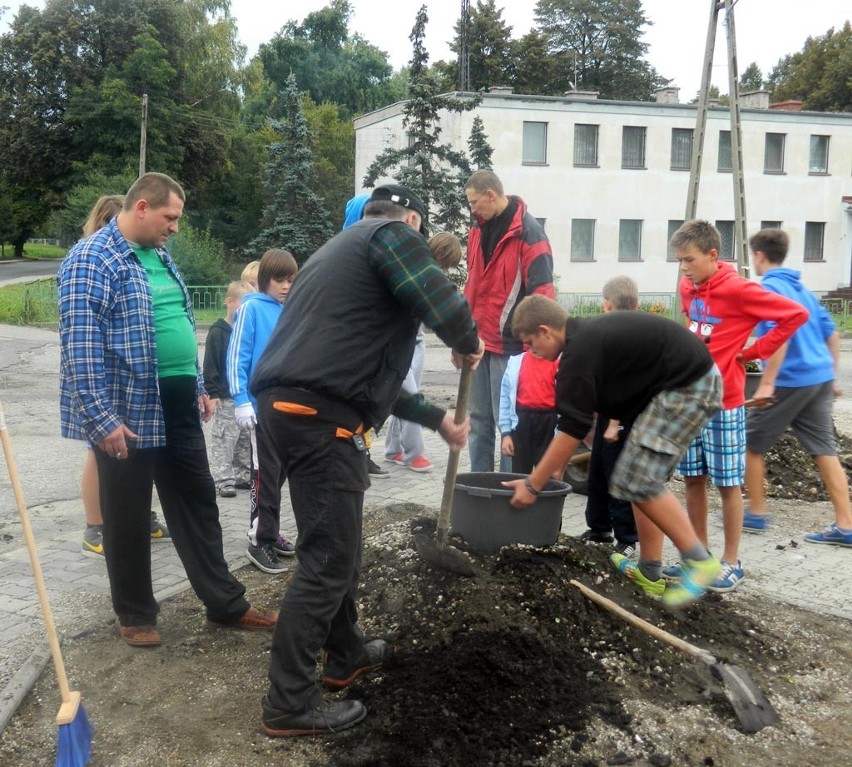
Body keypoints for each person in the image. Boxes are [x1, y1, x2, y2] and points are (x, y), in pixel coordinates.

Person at [251, 183, 483, 736]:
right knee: (328, 561)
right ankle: (288, 703)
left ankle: (346, 652)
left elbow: (364, 379)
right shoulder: (392, 234)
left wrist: (439, 421)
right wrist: (467, 339)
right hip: (319, 420)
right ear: (415, 218)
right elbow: (448, 308)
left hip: (295, 409)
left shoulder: (337, 254)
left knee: (339, 548)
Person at [58, 172, 277, 647]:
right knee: (128, 513)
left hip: (177, 402)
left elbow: (176, 320)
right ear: (141, 208)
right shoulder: (91, 259)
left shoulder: (160, 256)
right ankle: (135, 614)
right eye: (170, 217)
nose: (175, 227)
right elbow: (80, 346)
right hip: (126, 407)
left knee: (198, 503)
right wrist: (101, 418)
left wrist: (198, 382)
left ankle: (225, 605)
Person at [502, 295, 724, 609]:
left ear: (545, 331)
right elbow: (579, 418)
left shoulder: (577, 353)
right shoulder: (583, 339)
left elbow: (571, 426)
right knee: (631, 478)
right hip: (668, 385)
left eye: (530, 343)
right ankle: (650, 571)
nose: (531, 351)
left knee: (638, 481)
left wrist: (532, 485)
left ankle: (699, 562)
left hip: (688, 385)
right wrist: (552, 469)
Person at [671, 220, 808, 593]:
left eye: (690, 260)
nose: (684, 268)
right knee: (693, 479)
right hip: (689, 400)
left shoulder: (740, 290)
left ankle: (731, 562)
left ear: (713, 256)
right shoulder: (688, 287)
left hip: (724, 402)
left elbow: (795, 315)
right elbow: (693, 323)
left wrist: (751, 353)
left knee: (728, 482)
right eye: (679, 261)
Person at [744, 228, 852, 546]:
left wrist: (766, 384)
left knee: (751, 443)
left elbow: (780, 336)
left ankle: (756, 513)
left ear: (759, 255)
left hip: (789, 381)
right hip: (819, 378)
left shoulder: (769, 290)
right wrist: (831, 376)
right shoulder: (803, 290)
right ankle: (846, 525)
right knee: (824, 450)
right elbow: (831, 334)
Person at [78, 194, 171, 558]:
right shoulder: (93, 258)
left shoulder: (140, 255)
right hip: (103, 381)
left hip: (134, 381)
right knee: (97, 453)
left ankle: (139, 514)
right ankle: (95, 525)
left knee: (133, 458)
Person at [464, 169, 555, 473]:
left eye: (475, 202)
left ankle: (505, 489)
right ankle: (478, 485)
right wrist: (462, 336)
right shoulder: (477, 230)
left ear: (490, 194)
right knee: (478, 421)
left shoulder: (529, 234)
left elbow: (542, 294)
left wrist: (538, 343)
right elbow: (472, 284)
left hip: (511, 347)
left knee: (508, 424)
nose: (472, 210)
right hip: (478, 342)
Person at [227, 248, 299, 573]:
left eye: (290, 279)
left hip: (286, 408)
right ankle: (258, 541)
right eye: (278, 279)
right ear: (265, 278)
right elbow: (237, 356)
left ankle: (270, 530)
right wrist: (241, 398)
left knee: (279, 474)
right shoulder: (251, 309)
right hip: (259, 409)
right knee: (264, 477)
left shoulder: (289, 310)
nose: (285, 285)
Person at [384, 233, 464, 473]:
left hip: (417, 340)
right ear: (437, 254)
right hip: (402, 343)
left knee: (405, 393)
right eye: (443, 263)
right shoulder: (417, 270)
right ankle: (414, 453)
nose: (444, 269)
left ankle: (392, 448)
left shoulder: (426, 270)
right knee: (410, 392)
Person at [579, 276, 640, 558]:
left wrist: (614, 422)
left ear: (605, 305)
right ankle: (599, 526)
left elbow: (623, 381)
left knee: (618, 475)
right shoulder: (612, 330)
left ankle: (626, 537)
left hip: (624, 416)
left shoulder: (627, 334)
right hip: (607, 413)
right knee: (598, 471)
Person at [342, 192, 390, 478]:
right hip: (351, 348)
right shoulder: (349, 251)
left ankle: (363, 453)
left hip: (372, 346)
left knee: (369, 409)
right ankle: (354, 455)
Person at [203, 280, 253, 499]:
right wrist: (212, 393)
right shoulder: (218, 332)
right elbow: (211, 364)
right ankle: (224, 479)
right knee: (225, 439)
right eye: (242, 303)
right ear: (229, 302)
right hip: (224, 396)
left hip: (244, 396)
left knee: (244, 439)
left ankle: (243, 475)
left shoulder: (248, 330)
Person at [498, 341, 559, 474]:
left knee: (547, 475)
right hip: (521, 423)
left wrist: (559, 435)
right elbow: (505, 399)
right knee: (519, 474)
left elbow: (566, 402)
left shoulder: (558, 364)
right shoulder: (515, 363)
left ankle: (547, 495)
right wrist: (506, 434)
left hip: (548, 424)